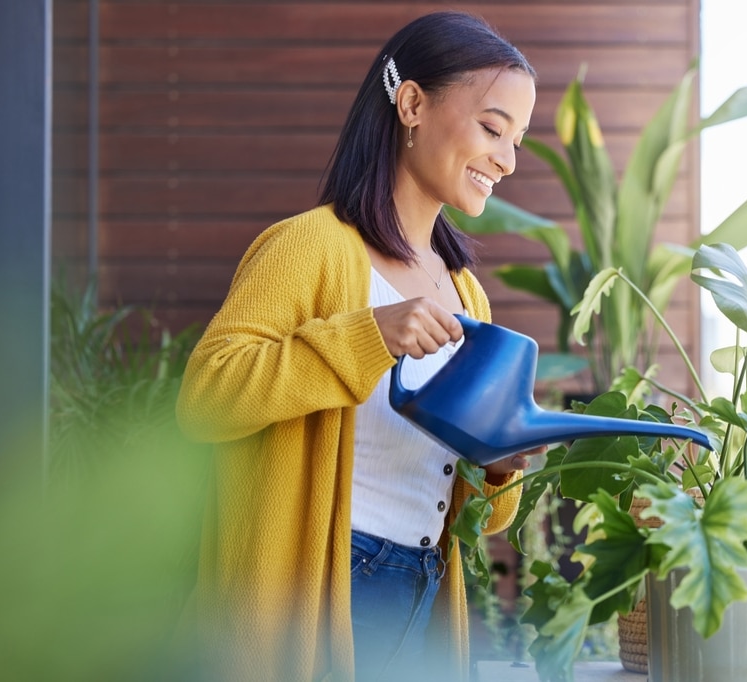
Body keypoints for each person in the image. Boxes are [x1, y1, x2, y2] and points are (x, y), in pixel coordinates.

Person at [175, 10, 539, 682]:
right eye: (493, 128)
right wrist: (369, 335)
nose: (506, 159)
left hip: (425, 589)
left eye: (516, 139)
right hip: (324, 582)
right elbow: (205, 397)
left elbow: (479, 519)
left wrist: (499, 465)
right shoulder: (309, 247)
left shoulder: (467, 294)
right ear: (412, 104)